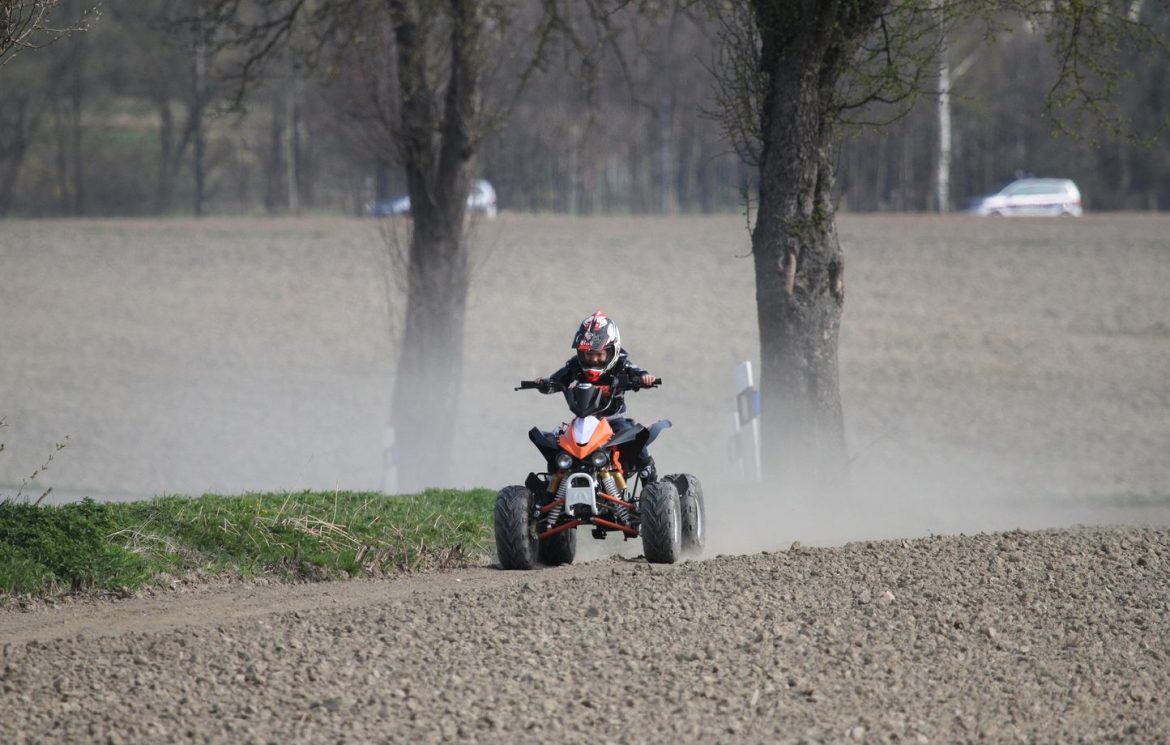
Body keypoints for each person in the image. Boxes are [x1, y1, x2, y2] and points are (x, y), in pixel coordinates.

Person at [534, 310, 658, 481]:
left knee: (636, 438)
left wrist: (645, 378)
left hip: (614, 420)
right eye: (589, 354)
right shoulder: (575, 365)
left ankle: (649, 480)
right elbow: (558, 379)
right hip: (583, 422)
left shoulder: (621, 363)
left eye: (599, 354)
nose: (594, 359)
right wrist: (545, 384)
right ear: (581, 353)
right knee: (556, 444)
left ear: (612, 351)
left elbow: (637, 372)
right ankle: (550, 488)